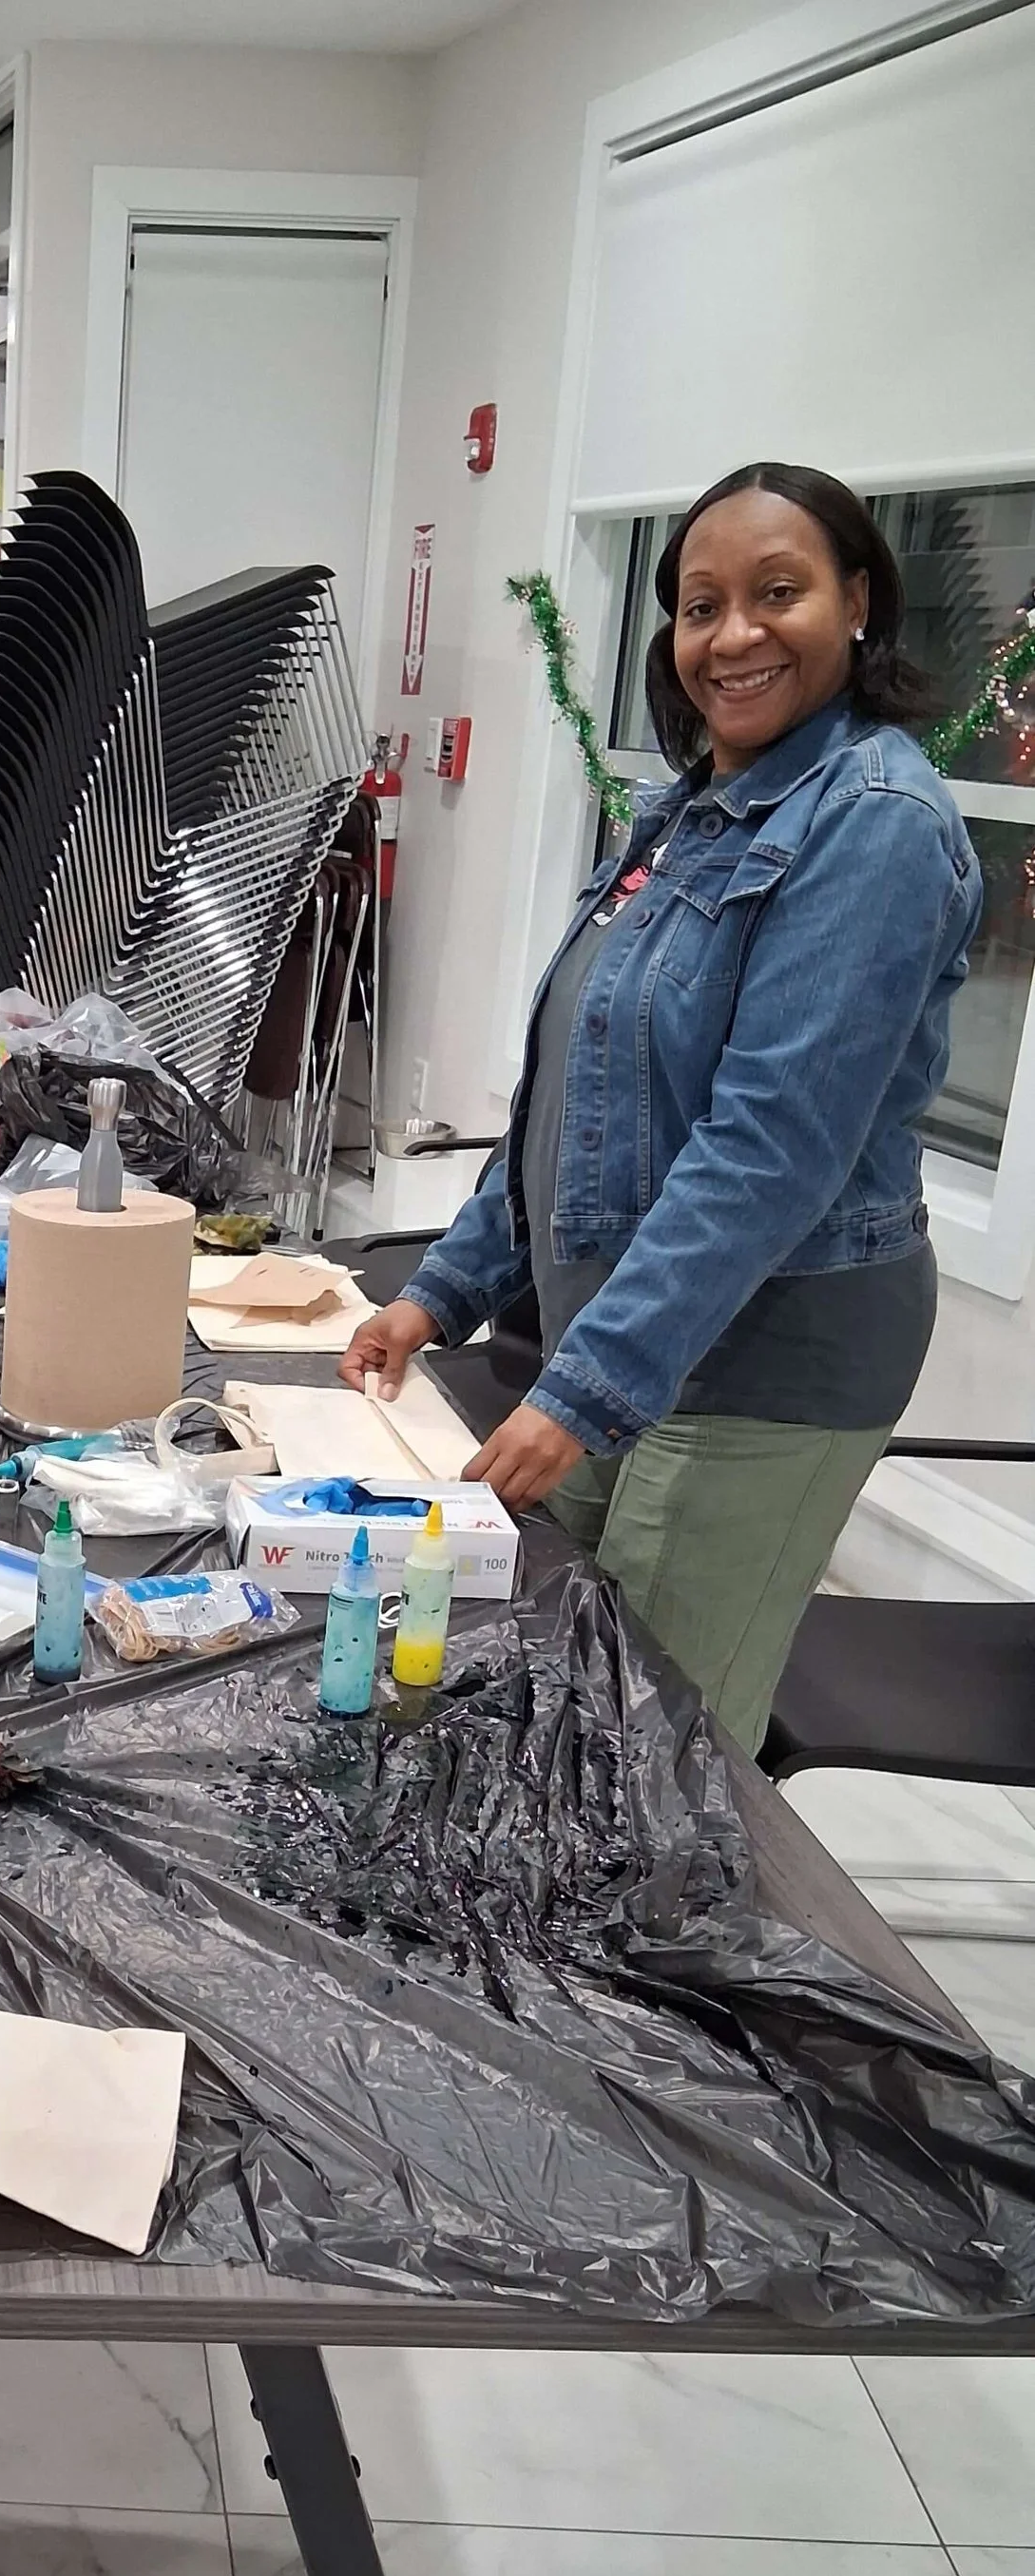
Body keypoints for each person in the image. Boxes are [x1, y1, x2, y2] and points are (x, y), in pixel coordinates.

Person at [343, 462, 981, 1752]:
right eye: (701, 604)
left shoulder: (874, 824)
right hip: (625, 1340)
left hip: (762, 1362)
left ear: (860, 600)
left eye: (777, 592)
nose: (733, 634)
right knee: (542, 1681)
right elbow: (570, 1106)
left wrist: (585, 1392)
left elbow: (769, 1147)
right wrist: (444, 1289)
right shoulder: (685, 815)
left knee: (645, 1752)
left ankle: (651, 1957)